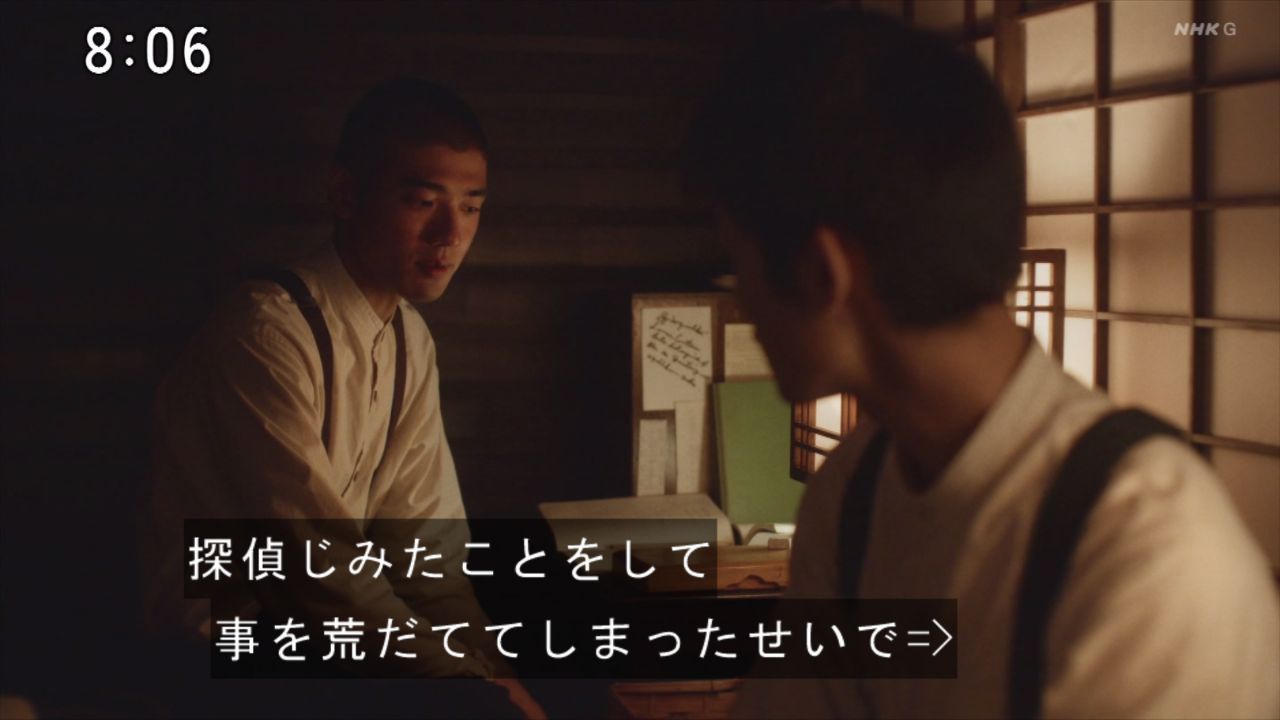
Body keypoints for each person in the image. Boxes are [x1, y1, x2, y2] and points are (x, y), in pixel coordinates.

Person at [684, 9, 1279, 719]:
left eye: (739, 264)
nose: (742, 304)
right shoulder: (853, 492)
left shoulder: (1144, 541)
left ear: (822, 272)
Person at [139, 78, 544, 719]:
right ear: (346, 193)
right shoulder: (265, 332)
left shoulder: (410, 338)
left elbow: (428, 553)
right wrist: (471, 684)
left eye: (471, 207)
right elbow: (317, 569)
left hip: (331, 637)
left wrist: (488, 668)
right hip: (226, 649)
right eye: (423, 201)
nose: (451, 233)